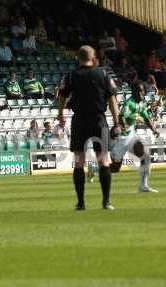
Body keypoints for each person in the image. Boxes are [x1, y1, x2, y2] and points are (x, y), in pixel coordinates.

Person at [58, 45, 120, 211]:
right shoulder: (103, 74)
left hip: (79, 120)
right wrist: (117, 121)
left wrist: (60, 114)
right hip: (99, 120)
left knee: (79, 161)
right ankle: (106, 202)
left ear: (77, 58)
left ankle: (81, 203)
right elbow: (112, 100)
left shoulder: (71, 75)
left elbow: (62, 95)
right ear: (93, 59)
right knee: (104, 161)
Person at [108, 80, 159, 193]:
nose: (143, 93)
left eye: (143, 91)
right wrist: (122, 126)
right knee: (116, 168)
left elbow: (146, 118)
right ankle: (95, 169)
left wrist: (154, 129)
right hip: (120, 139)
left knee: (145, 157)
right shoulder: (129, 103)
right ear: (135, 92)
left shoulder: (141, 103)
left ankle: (143, 186)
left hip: (130, 136)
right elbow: (121, 118)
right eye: (141, 91)